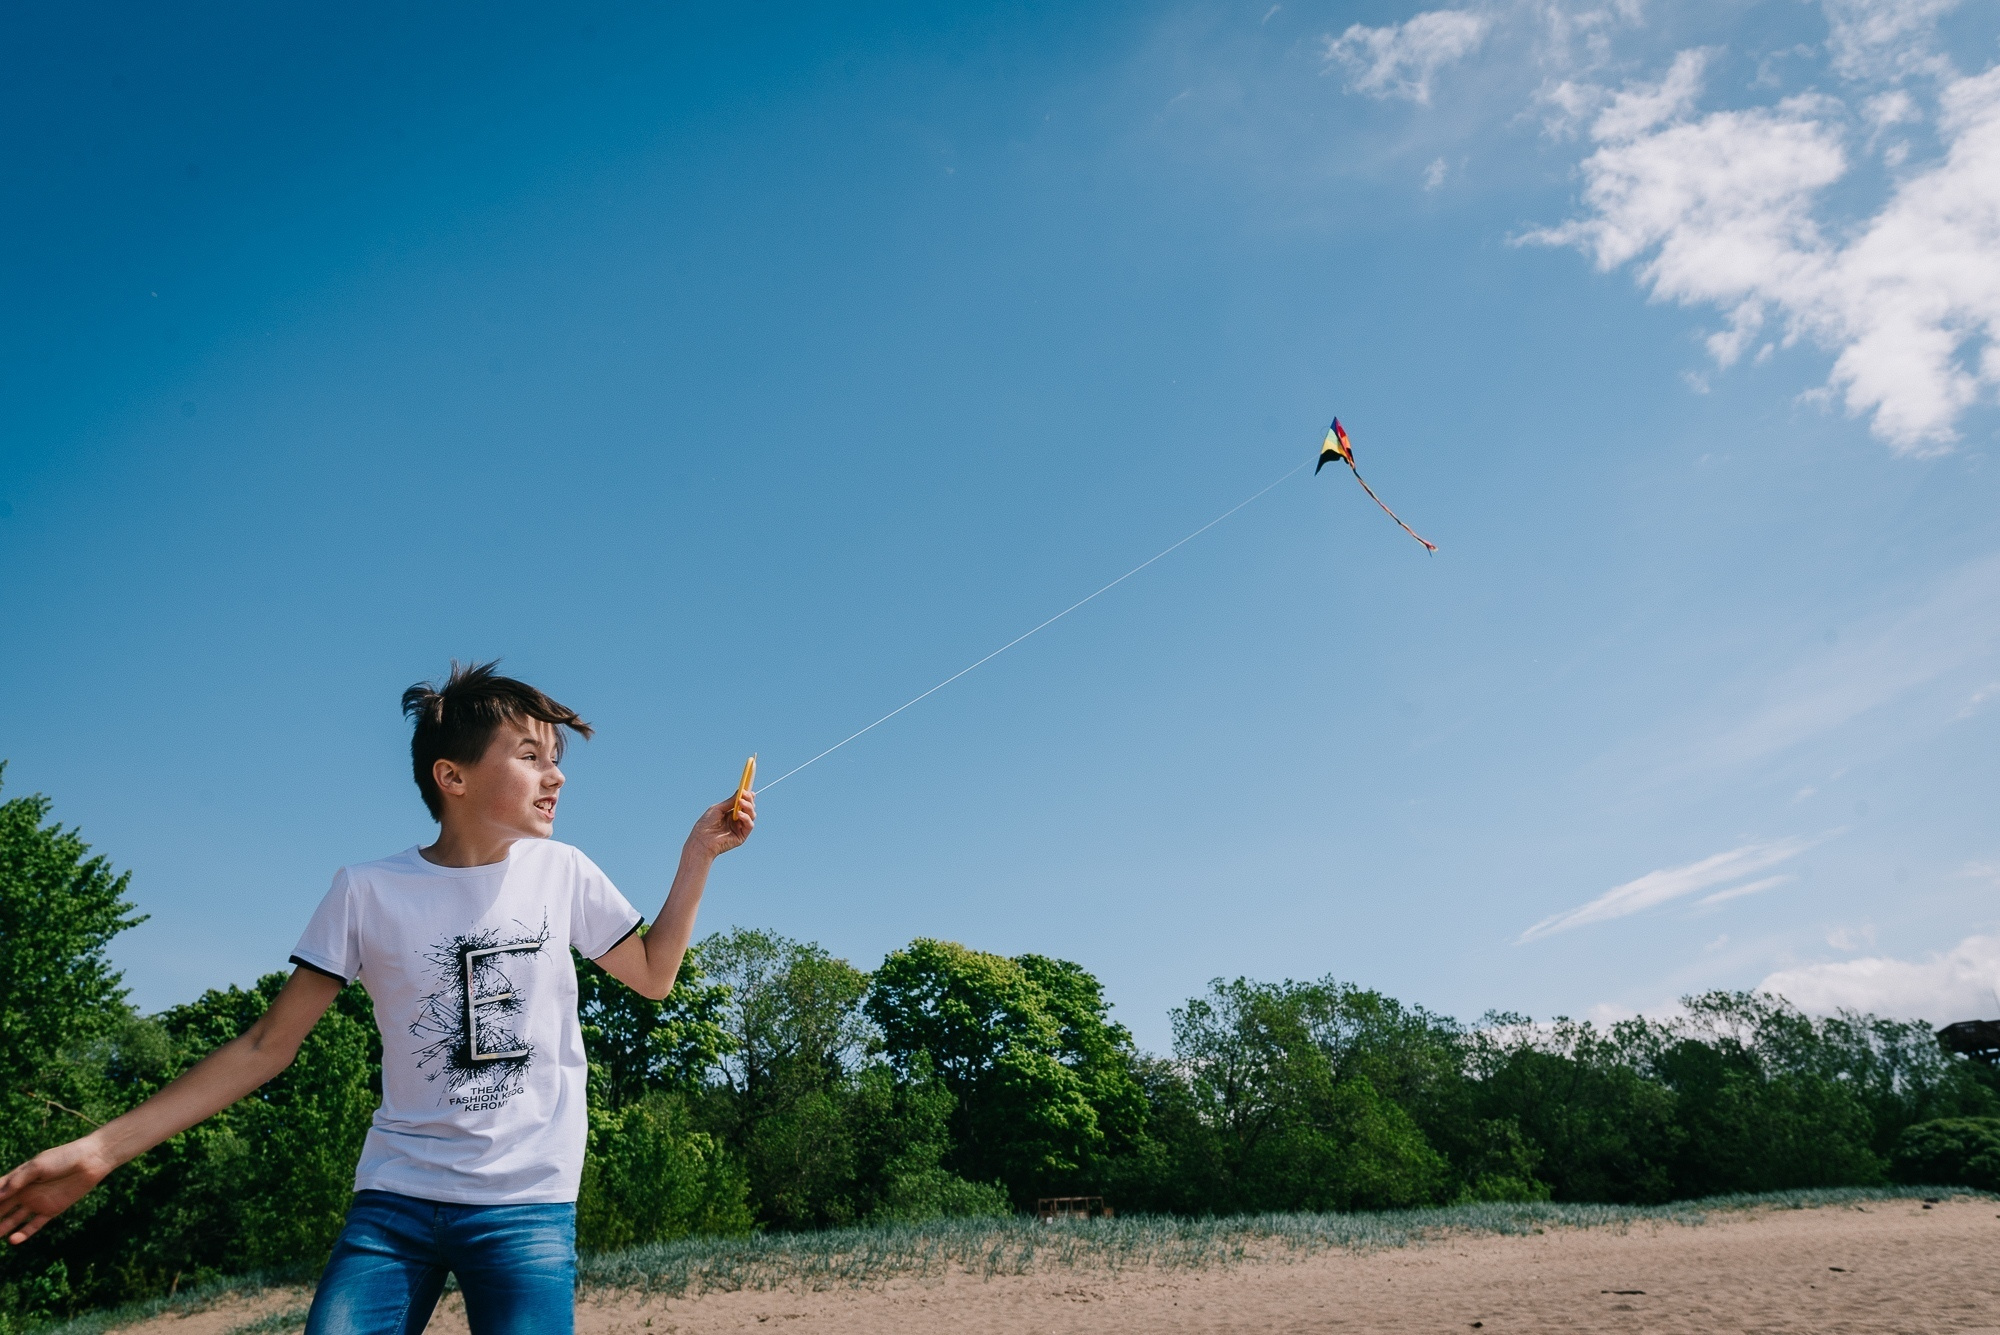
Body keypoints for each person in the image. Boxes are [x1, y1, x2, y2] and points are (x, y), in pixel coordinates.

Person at [0, 662, 754, 1334]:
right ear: (450, 776)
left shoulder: (566, 873)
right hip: (395, 1200)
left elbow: (655, 974)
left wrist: (697, 856)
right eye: (530, 757)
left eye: (556, 760)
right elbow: (267, 1045)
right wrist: (99, 1151)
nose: (555, 776)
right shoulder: (366, 890)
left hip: (528, 1202)